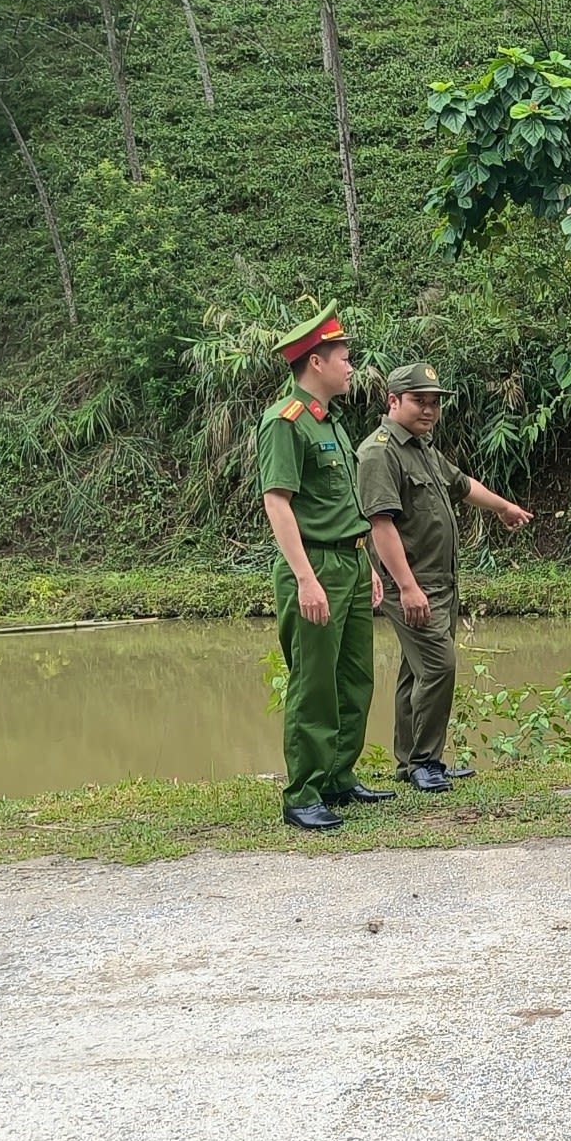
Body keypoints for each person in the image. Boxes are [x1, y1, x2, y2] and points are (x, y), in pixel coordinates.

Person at [356, 360, 534, 791]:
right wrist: (407, 587)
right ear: (393, 400)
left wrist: (504, 507)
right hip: (412, 584)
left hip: (440, 584)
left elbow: (462, 484)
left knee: (415, 671)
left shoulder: (421, 447)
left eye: (434, 402)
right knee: (439, 666)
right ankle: (424, 762)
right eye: (419, 400)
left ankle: (412, 762)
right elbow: (380, 524)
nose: (428, 409)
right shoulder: (380, 452)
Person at [257, 302, 389, 831]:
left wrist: (368, 563)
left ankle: (338, 776)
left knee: (354, 678)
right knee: (314, 682)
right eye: (343, 357)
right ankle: (303, 793)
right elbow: (277, 502)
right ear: (316, 362)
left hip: (351, 563)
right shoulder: (285, 423)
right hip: (314, 566)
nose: (351, 366)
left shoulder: (329, 422)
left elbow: (342, 504)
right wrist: (306, 579)